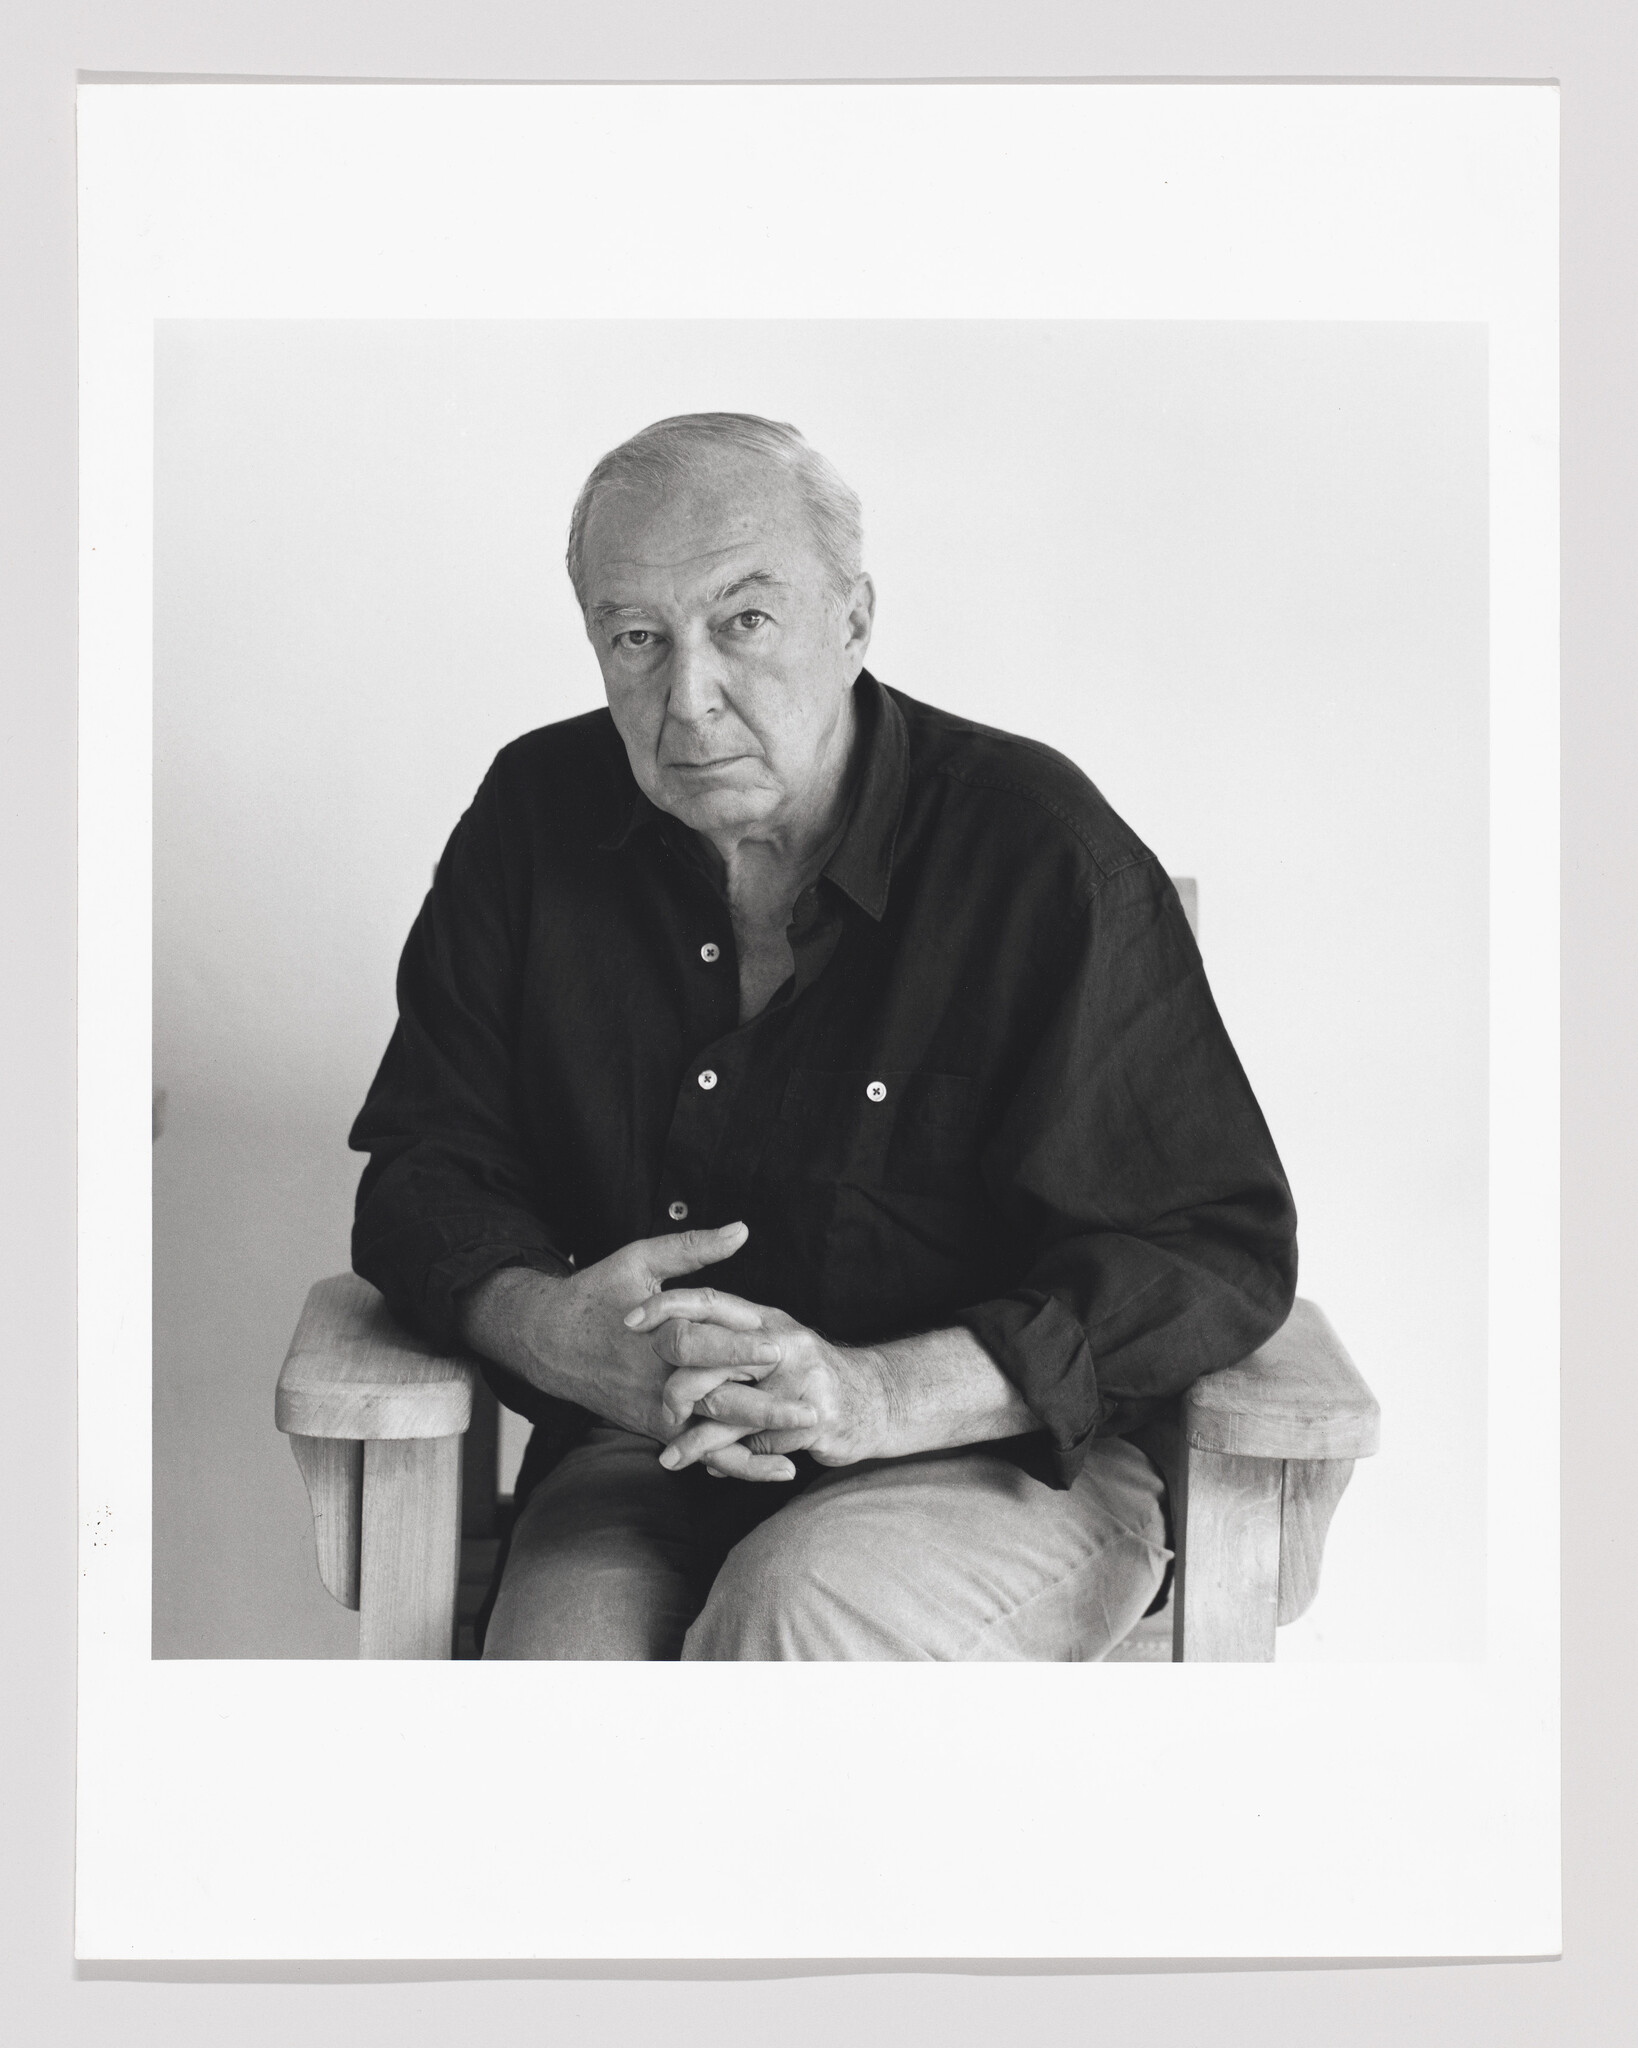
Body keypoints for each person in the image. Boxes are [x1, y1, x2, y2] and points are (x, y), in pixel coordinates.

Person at [349, 412, 1298, 1661]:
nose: (687, 698)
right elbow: (425, 1165)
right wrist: (550, 1327)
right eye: (636, 637)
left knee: (795, 1613)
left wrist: (882, 1391)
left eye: (744, 620)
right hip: (646, 1452)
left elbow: (1212, 1247)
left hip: (987, 1464)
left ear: (854, 619)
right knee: (560, 1697)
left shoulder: (1036, 851)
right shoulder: (535, 817)